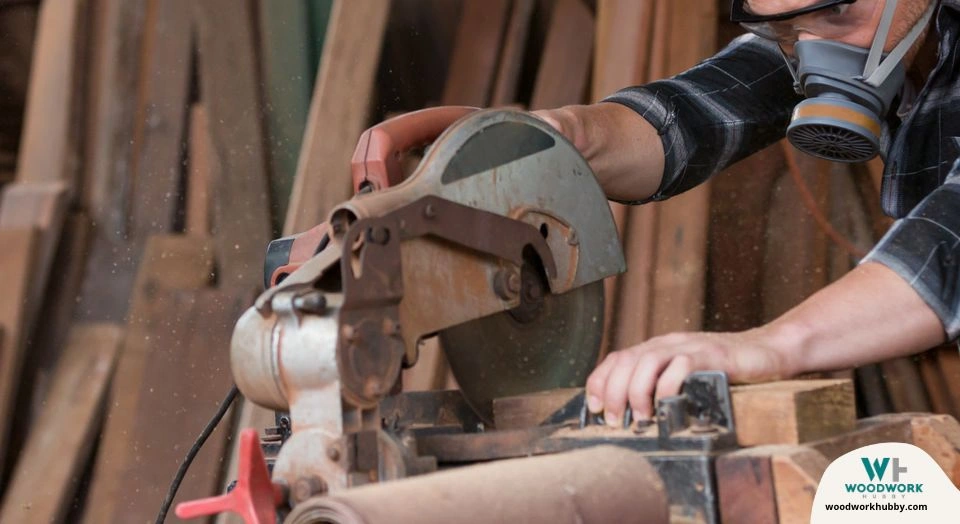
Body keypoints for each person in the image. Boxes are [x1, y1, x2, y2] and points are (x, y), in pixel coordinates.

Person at [533, 0, 958, 427]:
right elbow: (696, 112)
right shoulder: (827, 27)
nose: (810, 50)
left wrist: (773, 345)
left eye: (835, 15)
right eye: (782, 28)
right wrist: (572, 137)